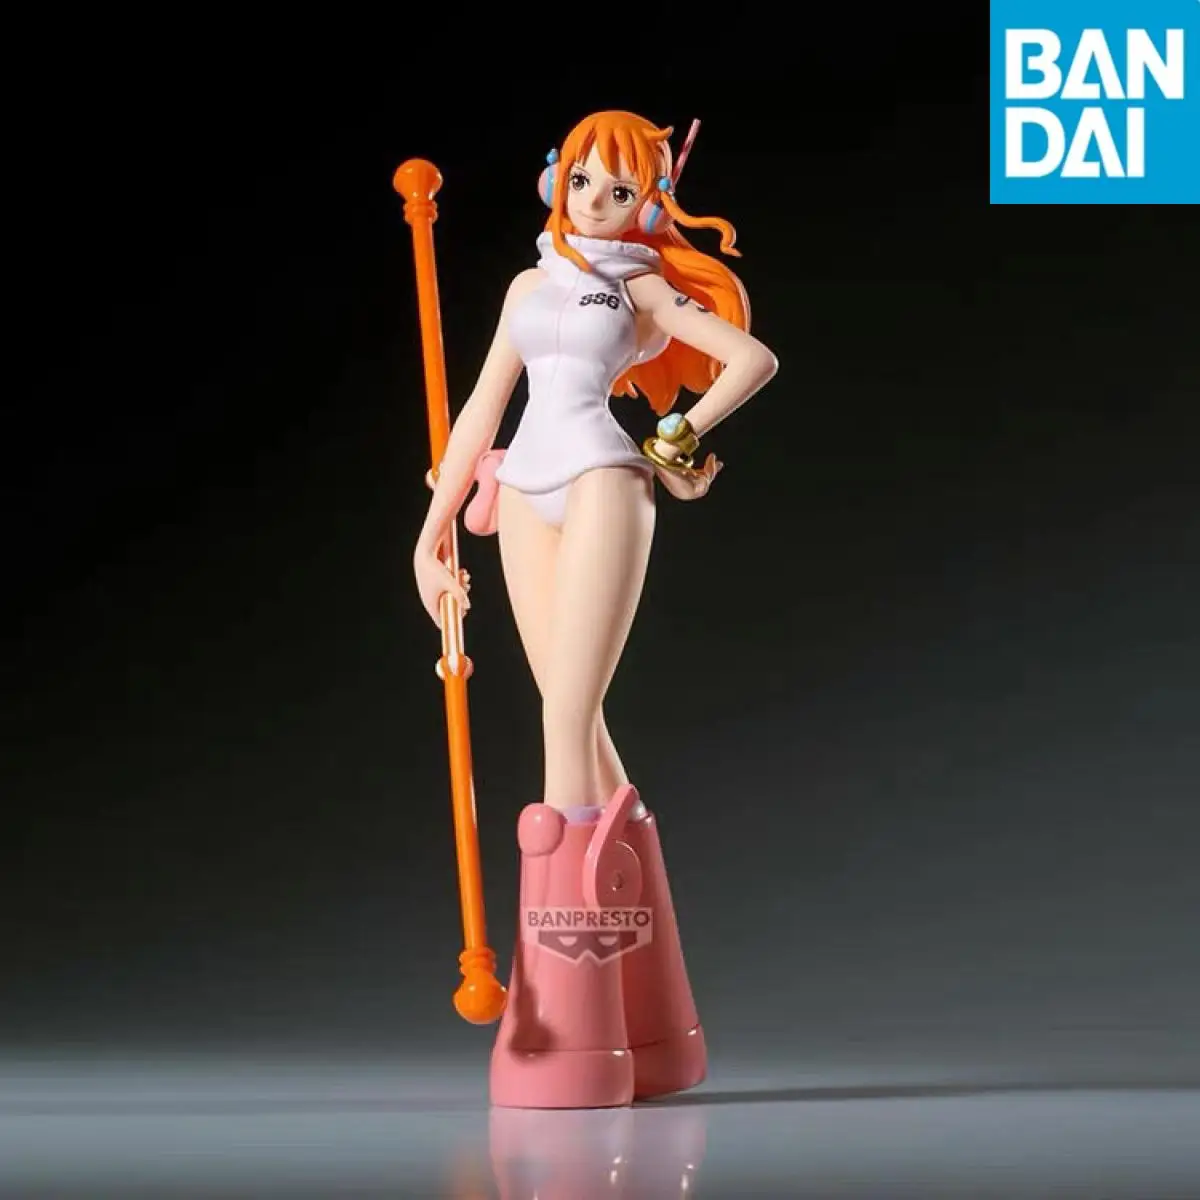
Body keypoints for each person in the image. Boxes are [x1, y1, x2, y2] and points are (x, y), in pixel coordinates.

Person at [412, 110, 777, 1109]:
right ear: (556, 182)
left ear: (650, 201)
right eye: (582, 182)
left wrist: (677, 435)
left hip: (606, 482)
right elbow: (481, 410)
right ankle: (656, 1029)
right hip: (523, 491)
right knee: (576, 722)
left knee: (563, 725)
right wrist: (429, 536)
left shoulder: (644, 285)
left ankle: (571, 1032)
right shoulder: (527, 286)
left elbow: (751, 360)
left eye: (621, 191)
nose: (595, 204)